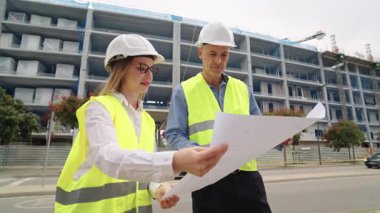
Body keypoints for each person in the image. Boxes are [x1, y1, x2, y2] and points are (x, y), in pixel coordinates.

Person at [55, 34, 228, 213]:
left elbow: (144, 168)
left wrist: (158, 188)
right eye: (141, 68)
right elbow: (107, 157)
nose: (149, 75)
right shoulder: (98, 108)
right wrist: (175, 161)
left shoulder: (147, 120)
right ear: (120, 69)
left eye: (151, 69)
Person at [166, 22, 272, 213]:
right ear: (200, 53)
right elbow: (174, 134)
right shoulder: (183, 92)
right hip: (208, 181)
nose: (218, 61)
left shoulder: (243, 89)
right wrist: (198, 153)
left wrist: (279, 138)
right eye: (212, 54)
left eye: (224, 54)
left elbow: (259, 127)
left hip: (248, 179)